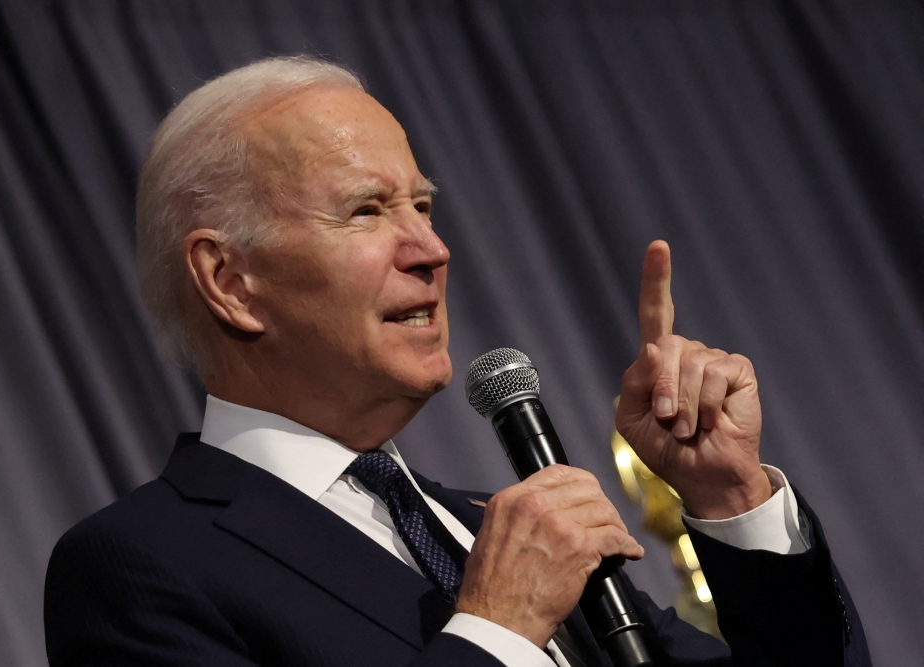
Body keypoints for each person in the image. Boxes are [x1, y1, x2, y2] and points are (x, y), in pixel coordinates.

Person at [44, 56, 870, 667]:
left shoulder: (489, 532)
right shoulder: (141, 566)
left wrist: (732, 500)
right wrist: (497, 627)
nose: (432, 249)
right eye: (366, 209)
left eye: (424, 205)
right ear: (231, 280)